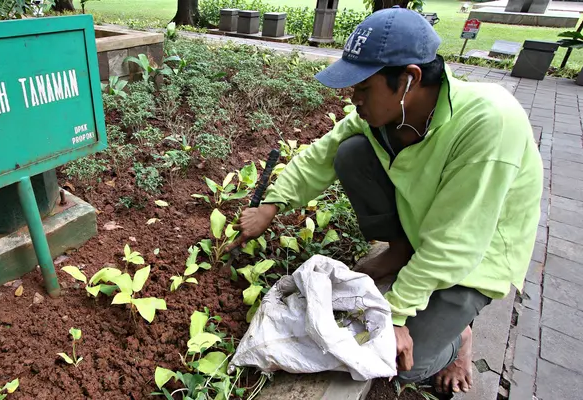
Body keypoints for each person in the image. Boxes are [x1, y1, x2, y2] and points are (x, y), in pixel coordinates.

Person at [227, 6, 543, 395]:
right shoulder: (383, 113)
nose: (353, 97)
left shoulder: (489, 123)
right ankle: (401, 249)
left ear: (409, 79)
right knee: (350, 151)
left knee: (402, 364)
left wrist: (395, 313)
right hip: (428, 224)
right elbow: (320, 155)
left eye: (363, 87)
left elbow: (458, 242)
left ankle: (458, 340)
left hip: (477, 256)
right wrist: (271, 206)